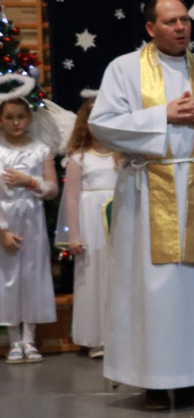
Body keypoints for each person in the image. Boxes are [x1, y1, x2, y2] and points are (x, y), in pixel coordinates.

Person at [89, 0, 194, 410]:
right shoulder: (124, 69)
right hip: (146, 190)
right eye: (171, 21)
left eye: (185, 20)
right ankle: (153, 382)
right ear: (150, 28)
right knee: (150, 289)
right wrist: (163, 117)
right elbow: (101, 125)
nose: (181, 28)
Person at [55, 92, 118, 359]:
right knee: (93, 276)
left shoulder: (122, 156)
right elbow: (71, 197)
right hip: (91, 221)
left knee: (117, 276)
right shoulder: (78, 158)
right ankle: (96, 338)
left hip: (118, 217)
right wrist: (74, 234)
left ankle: (120, 336)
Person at [0, 95, 58, 364]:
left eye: (20, 117)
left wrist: (30, 181)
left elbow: (52, 189)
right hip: (5, 223)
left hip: (32, 222)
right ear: (1, 121)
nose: (15, 122)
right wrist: (2, 232)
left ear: (29, 119)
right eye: (9, 117)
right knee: (8, 278)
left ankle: (30, 340)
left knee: (33, 275)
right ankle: (13, 340)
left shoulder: (41, 149)